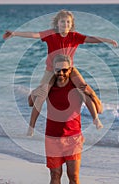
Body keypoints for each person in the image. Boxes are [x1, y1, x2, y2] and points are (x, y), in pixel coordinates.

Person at [3, 9, 118, 130]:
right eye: (62, 22)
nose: (65, 24)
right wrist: (15, 34)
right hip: (51, 70)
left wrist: (107, 40)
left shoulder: (75, 36)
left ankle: (96, 119)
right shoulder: (51, 34)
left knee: (84, 88)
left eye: (68, 22)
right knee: (41, 96)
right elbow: (34, 35)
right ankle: (31, 127)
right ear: (57, 23)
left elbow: (91, 39)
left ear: (71, 24)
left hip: (69, 69)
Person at [29, 55, 95, 184]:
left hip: (73, 138)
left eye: (65, 70)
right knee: (55, 175)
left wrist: (92, 94)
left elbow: (97, 107)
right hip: (52, 137)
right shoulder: (49, 86)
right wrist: (36, 91)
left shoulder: (77, 86)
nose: (61, 73)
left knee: (73, 177)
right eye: (58, 70)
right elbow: (31, 103)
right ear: (53, 69)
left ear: (70, 69)